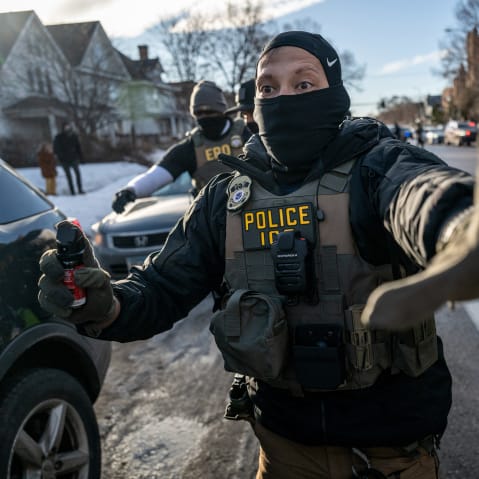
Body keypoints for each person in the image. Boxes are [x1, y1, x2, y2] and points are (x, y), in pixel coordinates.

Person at [38, 31, 479, 479]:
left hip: (390, 457)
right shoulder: (225, 197)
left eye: (303, 84)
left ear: (336, 95)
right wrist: (107, 305)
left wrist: (459, 223)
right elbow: (161, 287)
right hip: (282, 450)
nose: (282, 97)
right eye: (268, 87)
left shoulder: (378, 165)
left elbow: (421, 193)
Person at [111, 80, 252, 213]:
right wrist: (130, 191)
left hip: (250, 211)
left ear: (222, 111)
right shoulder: (191, 147)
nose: (204, 117)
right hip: (211, 219)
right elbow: (157, 174)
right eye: (198, 113)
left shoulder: (247, 134)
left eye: (209, 112)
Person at [53, 122, 84, 195]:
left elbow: (78, 147)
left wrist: (81, 157)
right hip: (64, 160)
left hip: (74, 158)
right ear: (63, 127)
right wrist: (61, 156)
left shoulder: (74, 136)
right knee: (69, 176)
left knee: (77, 174)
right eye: (66, 126)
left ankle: (80, 189)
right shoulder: (59, 137)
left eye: (68, 126)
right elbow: (56, 148)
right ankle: (72, 191)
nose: (67, 128)